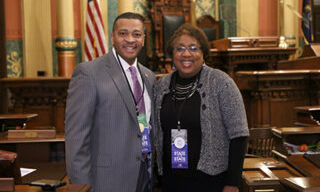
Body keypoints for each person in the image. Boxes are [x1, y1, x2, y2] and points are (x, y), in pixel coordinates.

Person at [65, 12, 156, 192]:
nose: (130, 39)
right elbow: (76, 138)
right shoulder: (89, 73)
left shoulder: (149, 76)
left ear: (144, 39)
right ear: (112, 37)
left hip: (144, 176)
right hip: (107, 181)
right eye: (123, 33)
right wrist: (81, 187)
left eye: (137, 34)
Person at [154, 23, 249, 192]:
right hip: (172, 180)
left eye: (193, 48)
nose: (186, 54)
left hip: (211, 181)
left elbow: (239, 135)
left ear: (203, 53)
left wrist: (233, 183)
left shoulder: (221, 82)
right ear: (172, 54)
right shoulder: (161, 86)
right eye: (180, 48)